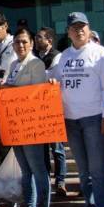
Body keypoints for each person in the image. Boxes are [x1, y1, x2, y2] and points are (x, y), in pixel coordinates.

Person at [49, 13, 104, 207]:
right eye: (74, 28)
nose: (79, 31)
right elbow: (54, 79)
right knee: (84, 172)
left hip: (95, 117)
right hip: (71, 119)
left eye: (82, 27)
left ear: (89, 29)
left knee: (98, 171)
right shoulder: (64, 57)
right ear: (68, 32)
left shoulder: (100, 54)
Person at [0, 27, 51, 207]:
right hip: (16, 125)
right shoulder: (13, 64)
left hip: (32, 124)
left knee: (38, 170)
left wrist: (9, 90)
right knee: (26, 172)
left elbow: (35, 93)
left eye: (24, 42)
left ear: (31, 43)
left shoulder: (36, 63)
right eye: (17, 42)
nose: (20, 45)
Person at [34, 27, 68, 198]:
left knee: (57, 148)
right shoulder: (33, 57)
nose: (37, 40)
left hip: (53, 106)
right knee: (43, 148)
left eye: (40, 38)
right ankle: (45, 179)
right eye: (36, 37)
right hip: (38, 107)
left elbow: (56, 77)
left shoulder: (57, 56)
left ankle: (60, 180)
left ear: (49, 40)